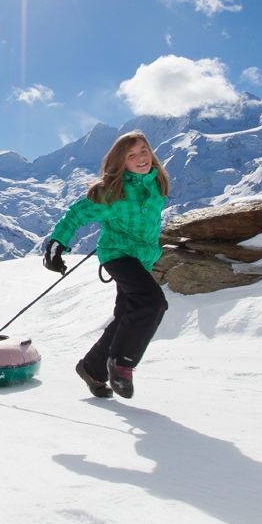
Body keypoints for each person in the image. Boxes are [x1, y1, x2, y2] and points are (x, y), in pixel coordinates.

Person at [44, 130, 170, 399]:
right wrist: (57, 244)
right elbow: (77, 214)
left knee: (128, 314)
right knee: (152, 303)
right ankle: (122, 363)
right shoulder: (112, 192)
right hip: (118, 256)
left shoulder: (156, 183)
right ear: (121, 161)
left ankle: (92, 369)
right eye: (131, 155)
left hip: (143, 258)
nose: (140, 158)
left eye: (144, 151)